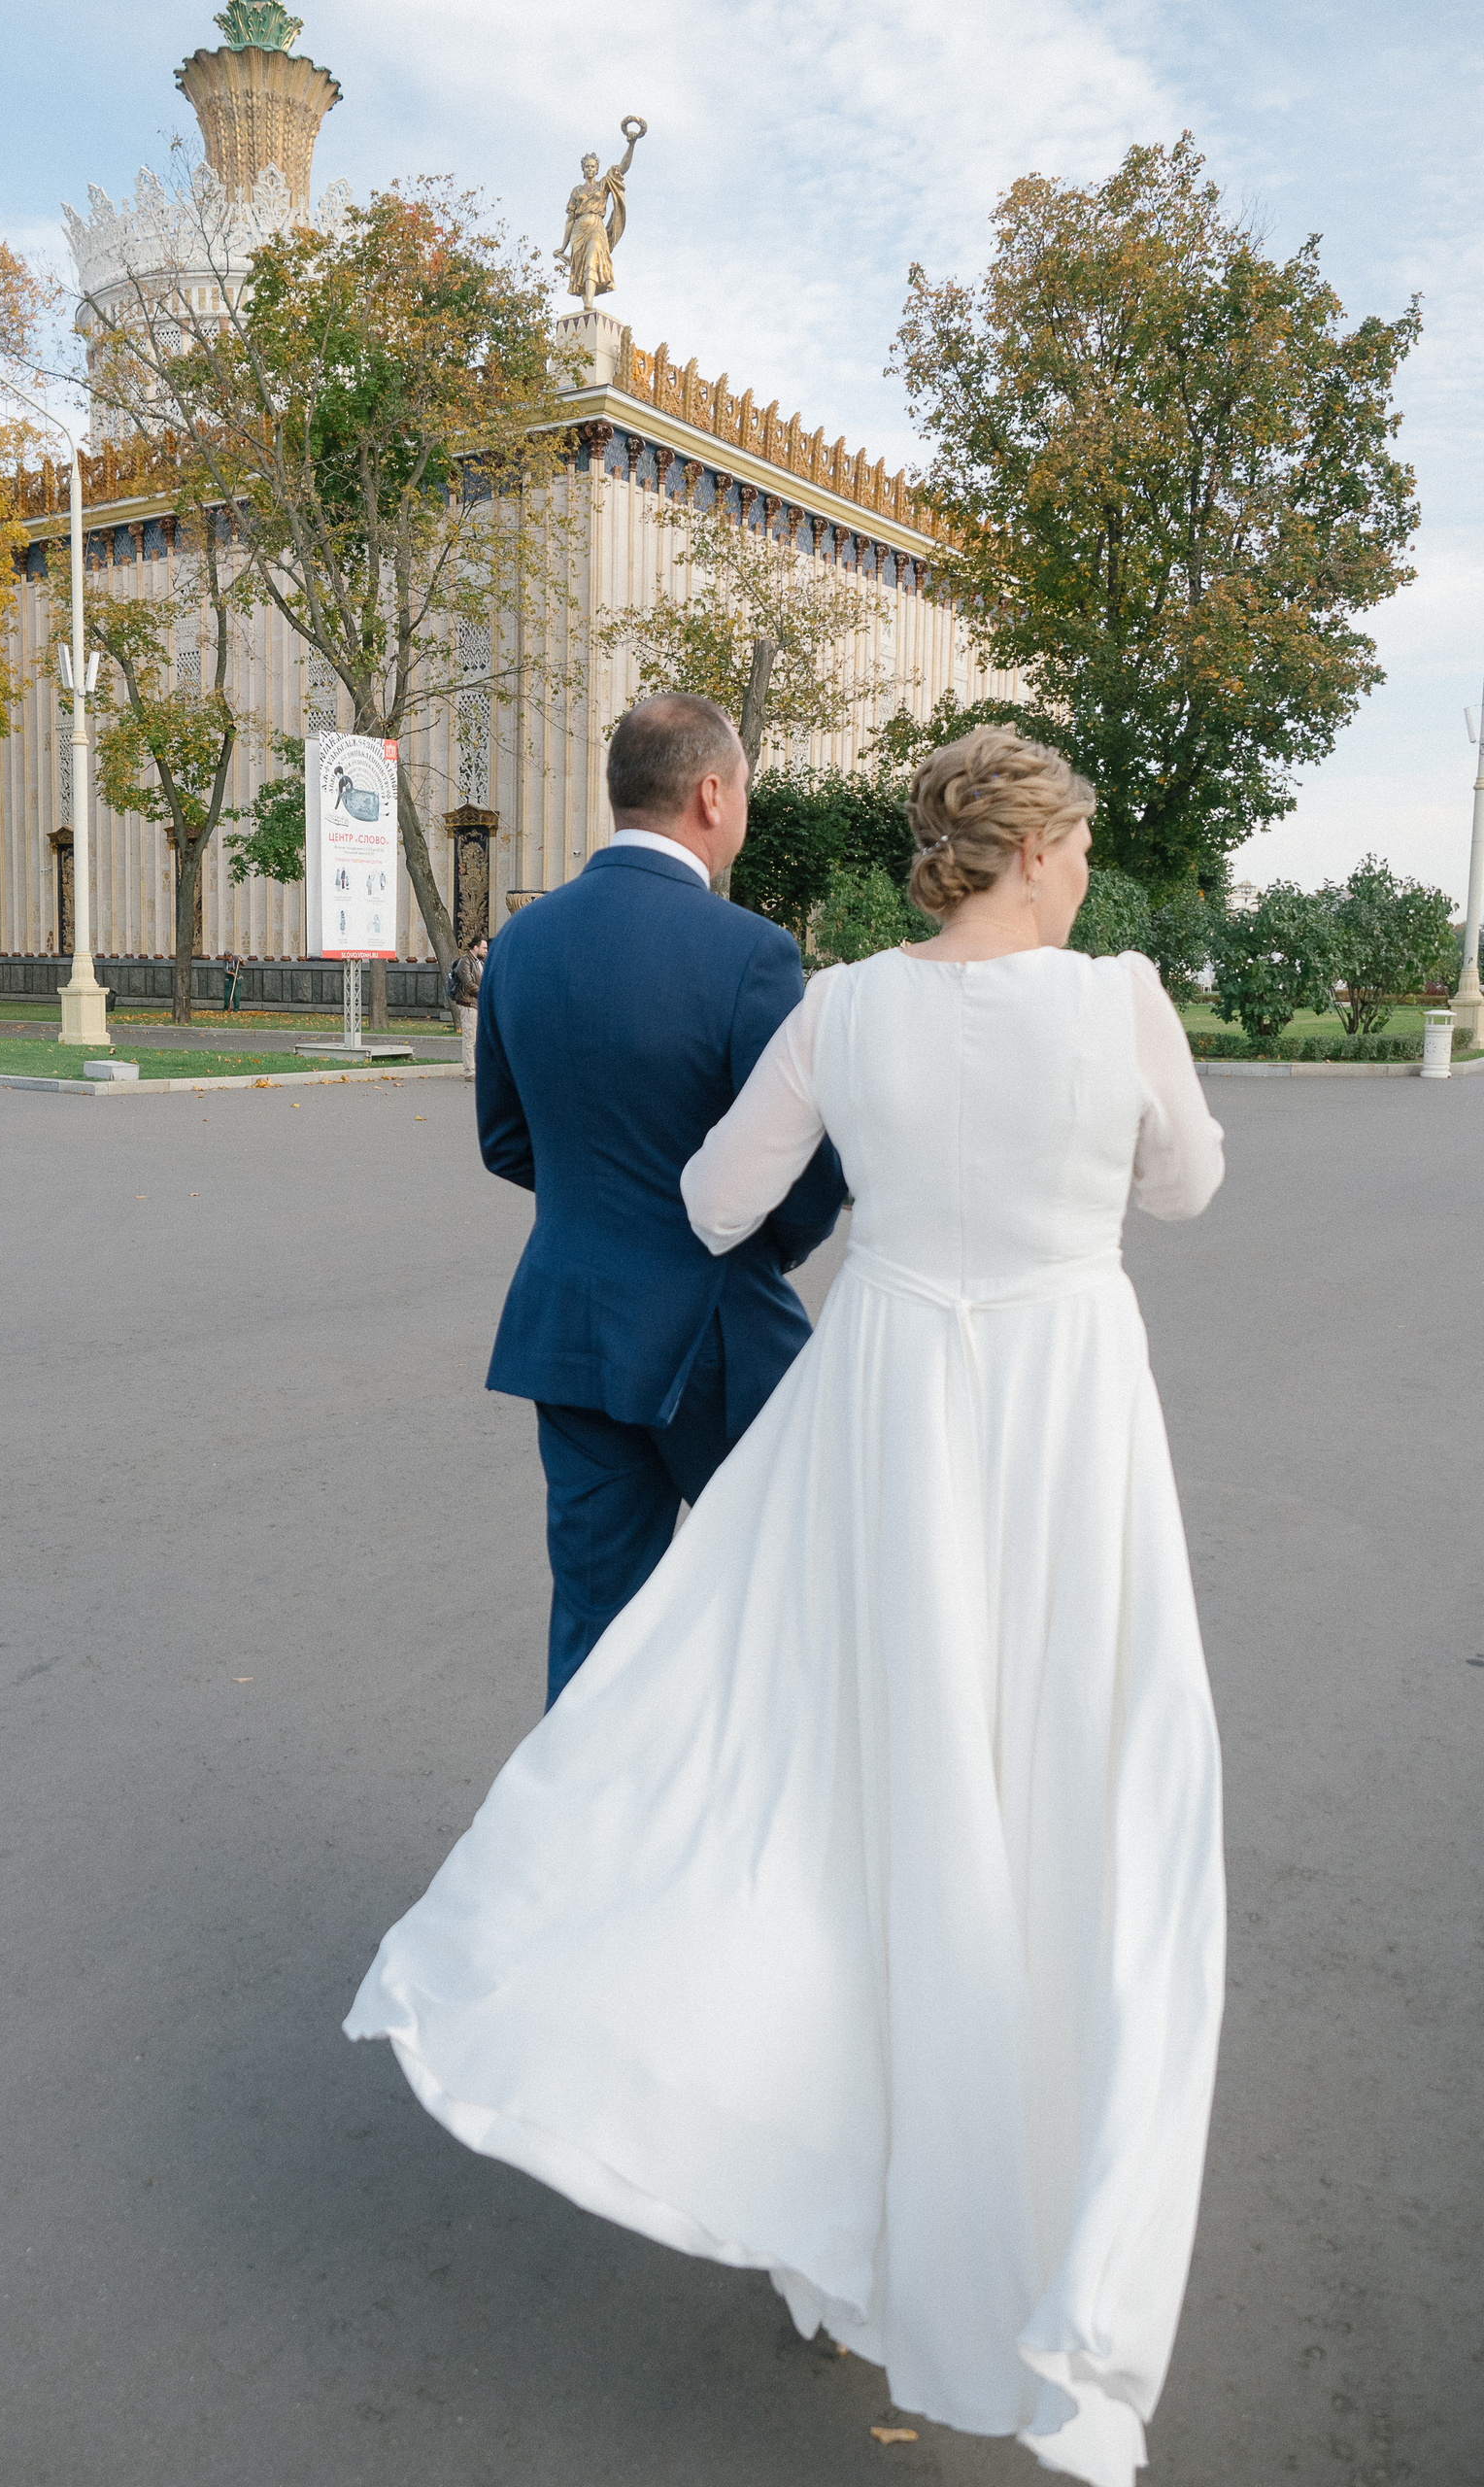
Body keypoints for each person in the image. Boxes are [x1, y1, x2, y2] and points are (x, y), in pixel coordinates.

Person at [348, 725, 1228, 2487]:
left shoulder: (838, 1005)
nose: (1083, 871)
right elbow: (1187, 1184)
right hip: (1063, 1424)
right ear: (1034, 849)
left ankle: (709, 2035)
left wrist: (890, 1193)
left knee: (783, 1738)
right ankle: (1038, 2163)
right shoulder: (1119, 999)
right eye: (1077, 844)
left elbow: (708, 1194)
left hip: (876, 1404)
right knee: (1068, 1758)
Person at [473, 693, 847, 1707]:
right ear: (712, 795)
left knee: (597, 1625)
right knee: (783, 1601)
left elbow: (505, 1140)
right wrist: (764, 1244)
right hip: (718, 1329)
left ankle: (578, 1810)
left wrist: (599, 1203)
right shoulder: (750, 952)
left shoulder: (523, 941)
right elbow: (804, 1166)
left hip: (570, 1322)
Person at [447, 937, 486, 1079]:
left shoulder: (480, 963)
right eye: (484, 948)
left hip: (478, 1005)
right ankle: (469, 1072)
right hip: (468, 1005)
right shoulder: (465, 962)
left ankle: (478, 1069)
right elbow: (469, 985)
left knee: (478, 1039)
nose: (486, 951)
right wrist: (485, 992)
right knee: (469, 1039)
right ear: (476, 947)